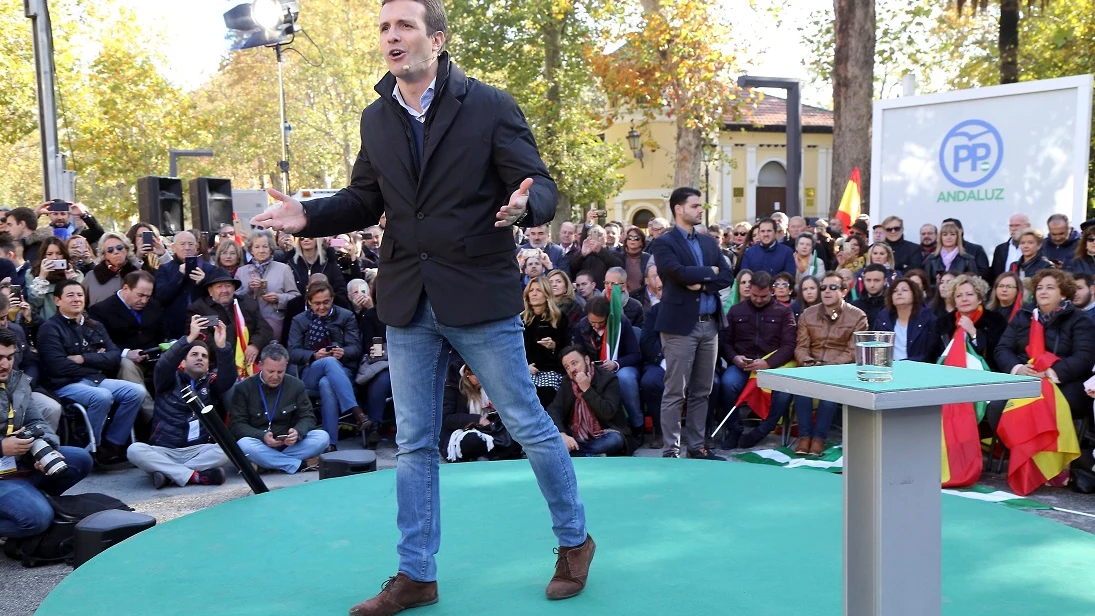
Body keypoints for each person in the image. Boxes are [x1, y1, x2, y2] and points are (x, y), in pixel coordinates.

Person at [251, 0, 593, 608]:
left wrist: (525, 207)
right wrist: (308, 217)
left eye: (404, 25)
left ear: (435, 39)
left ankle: (574, 542)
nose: (391, 36)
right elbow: (361, 199)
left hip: (478, 298)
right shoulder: (375, 118)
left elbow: (539, 184)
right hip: (408, 302)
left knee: (529, 425)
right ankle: (417, 573)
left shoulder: (489, 105)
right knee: (412, 443)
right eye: (384, 27)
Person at [648, 187, 733, 460]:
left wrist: (699, 282)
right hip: (679, 327)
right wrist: (710, 273)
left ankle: (697, 447)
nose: (700, 210)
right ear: (679, 209)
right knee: (675, 391)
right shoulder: (664, 243)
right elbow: (676, 273)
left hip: (710, 326)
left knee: (702, 391)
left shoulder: (709, 242)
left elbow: (728, 275)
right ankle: (671, 450)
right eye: (695, 206)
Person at [37, 281, 144, 465]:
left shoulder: (95, 325)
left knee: (136, 392)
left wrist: (84, 358)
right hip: (66, 384)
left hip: (96, 379)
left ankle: (112, 444)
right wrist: (97, 360)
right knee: (102, 396)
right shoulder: (49, 328)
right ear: (57, 300)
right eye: (70, 295)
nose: (76, 299)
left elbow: (114, 357)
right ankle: (88, 447)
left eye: (79, 295)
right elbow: (58, 366)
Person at [0, 327, 93, 539]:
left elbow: (38, 422)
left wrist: (43, 450)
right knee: (39, 519)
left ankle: (25, 500)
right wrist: (2, 446)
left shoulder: (17, 381)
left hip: (17, 466)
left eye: (9, 357)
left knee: (79, 459)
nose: (4, 364)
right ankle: (25, 507)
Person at [126, 315, 235, 488]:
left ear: (208, 365)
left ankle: (171, 475)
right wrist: (189, 338)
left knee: (228, 449)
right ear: (182, 362)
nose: (200, 358)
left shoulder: (211, 382)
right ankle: (196, 476)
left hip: (198, 450)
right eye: (194, 354)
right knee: (134, 450)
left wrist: (222, 347)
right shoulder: (167, 380)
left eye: (204, 356)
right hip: (164, 450)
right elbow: (164, 364)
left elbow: (228, 379)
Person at [992, 269, 1095, 424]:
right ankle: (1016, 448)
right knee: (996, 407)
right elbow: (1002, 349)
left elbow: (1084, 357)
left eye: (1050, 287)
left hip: (1064, 382)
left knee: (1038, 406)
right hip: (1025, 379)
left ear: (1063, 294)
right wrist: (1019, 368)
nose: (1043, 292)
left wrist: (1050, 373)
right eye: (1039, 288)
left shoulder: (1080, 319)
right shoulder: (1024, 315)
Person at [790, 272, 868, 455]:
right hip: (811, 367)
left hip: (838, 370)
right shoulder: (808, 314)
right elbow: (800, 347)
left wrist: (827, 368)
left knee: (829, 392)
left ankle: (818, 438)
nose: (826, 291)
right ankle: (804, 437)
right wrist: (808, 363)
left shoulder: (857, 316)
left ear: (844, 291)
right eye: (823, 287)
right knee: (801, 388)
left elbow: (853, 352)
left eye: (832, 287)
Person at [719, 271, 796, 449]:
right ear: (749, 290)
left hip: (772, 366)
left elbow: (789, 345)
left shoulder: (784, 312)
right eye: (755, 295)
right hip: (742, 365)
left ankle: (762, 431)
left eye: (763, 296)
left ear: (772, 291)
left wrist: (768, 363)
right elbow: (725, 342)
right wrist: (734, 357)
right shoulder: (736, 310)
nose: (759, 300)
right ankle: (734, 429)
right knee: (727, 383)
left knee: (784, 391)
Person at [287, 279, 366, 448]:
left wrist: (343, 352)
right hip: (310, 371)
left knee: (327, 383)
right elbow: (292, 351)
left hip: (342, 370)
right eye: (317, 303)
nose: (322, 307)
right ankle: (356, 412)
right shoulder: (299, 320)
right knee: (327, 362)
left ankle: (330, 443)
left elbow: (356, 348)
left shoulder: (346, 316)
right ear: (309, 302)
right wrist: (314, 355)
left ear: (332, 299)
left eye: (326, 302)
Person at [228, 342, 330, 472]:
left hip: (289, 445)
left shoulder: (296, 385)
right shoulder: (244, 388)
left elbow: (308, 417)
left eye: (280, 372)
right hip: (260, 444)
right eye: (270, 371)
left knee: (322, 437)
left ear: (286, 366)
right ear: (260, 365)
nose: (275, 377)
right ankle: (300, 465)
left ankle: (265, 464)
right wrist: (262, 436)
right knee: (244, 445)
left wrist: (298, 432)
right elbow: (236, 425)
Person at [570, 294, 643, 444]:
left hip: (621, 367)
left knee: (626, 379)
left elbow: (635, 354)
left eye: (600, 322)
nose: (596, 326)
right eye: (593, 322)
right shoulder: (582, 326)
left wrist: (616, 363)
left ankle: (637, 426)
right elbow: (577, 353)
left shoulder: (621, 323)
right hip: (593, 370)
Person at [546, 345, 632, 457]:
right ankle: (590, 454)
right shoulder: (567, 382)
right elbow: (554, 409)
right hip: (576, 435)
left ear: (587, 360)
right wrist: (562, 434)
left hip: (604, 432)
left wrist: (587, 389)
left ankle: (578, 453)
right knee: (551, 440)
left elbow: (608, 412)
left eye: (574, 363)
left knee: (615, 440)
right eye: (567, 367)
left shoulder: (608, 379)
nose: (572, 369)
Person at [186, 268, 273, 376]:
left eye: (228, 286)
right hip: (218, 365)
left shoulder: (246, 303)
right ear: (210, 291)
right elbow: (202, 338)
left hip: (251, 362)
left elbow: (265, 329)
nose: (224, 290)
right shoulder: (199, 309)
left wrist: (254, 345)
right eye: (219, 286)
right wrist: (228, 355)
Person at [439, 361, 521, 462]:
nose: (482, 382)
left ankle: (486, 453)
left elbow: (506, 414)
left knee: (515, 432)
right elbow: (445, 418)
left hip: (488, 430)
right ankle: (488, 453)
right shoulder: (451, 388)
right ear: (467, 374)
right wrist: (478, 419)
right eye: (478, 378)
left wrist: (496, 408)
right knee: (473, 441)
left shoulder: (488, 387)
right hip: (459, 432)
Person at [235, 229, 300, 342]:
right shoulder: (241, 272)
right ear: (251, 250)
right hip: (249, 325)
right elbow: (234, 300)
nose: (261, 250)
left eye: (265, 246)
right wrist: (249, 290)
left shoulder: (284, 269)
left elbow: (295, 297)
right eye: (257, 247)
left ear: (271, 248)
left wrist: (278, 298)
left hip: (275, 323)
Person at [931, 275, 1007, 370]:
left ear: (979, 299)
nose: (964, 299)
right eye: (959, 296)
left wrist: (974, 333)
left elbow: (996, 353)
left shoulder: (995, 320)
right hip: (947, 373)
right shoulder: (943, 322)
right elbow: (932, 353)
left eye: (970, 294)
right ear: (954, 302)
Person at [154, 231, 215, 339]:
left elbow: (217, 298)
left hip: (205, 326)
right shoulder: (165, 269)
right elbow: (160, 297)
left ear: (197, 247)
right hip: (174, 329)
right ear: (173, 248)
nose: (187, 248)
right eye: (182, 244)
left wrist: (204, 282)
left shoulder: (209, 269)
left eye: (191, 244)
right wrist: (179, 275)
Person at [522, 278, 570, 409]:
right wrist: (525, 367)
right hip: (525, 370)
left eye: (539, 290)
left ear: (547, 294)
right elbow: (512, 351)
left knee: (546, 394)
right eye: (531, 290)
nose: (534, 293)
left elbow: (568, 349)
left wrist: (554, 346)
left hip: (552, 371)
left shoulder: (560, 318)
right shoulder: (520, 320)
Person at [874, 278, 937, 362]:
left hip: (918, 368)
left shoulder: (927, 318)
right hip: (890, 369)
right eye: (895, 291)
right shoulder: (883, 318)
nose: (899, 293)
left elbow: (931, 353)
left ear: (914, 294)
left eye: (905, 290)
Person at [25, 236, 83, 323]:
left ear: (64, 254)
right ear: (43, 256)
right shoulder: (32, 274)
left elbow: (78, 303)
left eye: (59, 253)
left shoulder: (76, 274)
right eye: (49, 254)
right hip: (45, 323)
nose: (55, 258)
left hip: (72, 323)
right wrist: (41, 277)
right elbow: (35, 302)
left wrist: (70, 283)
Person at [84, 232, 148, 306]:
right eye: (110, 250)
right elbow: (80, 304)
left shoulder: (138, 275)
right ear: (104, 255)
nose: (116, 252)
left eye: (119, 248)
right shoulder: (92, 276)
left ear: (126, 250)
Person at [289, 237, 349, 305]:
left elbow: (340, 288)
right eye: (302, 238)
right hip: (299, 309)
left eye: (310, 237)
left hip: (325, 307)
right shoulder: (291, 263)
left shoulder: (329, 262)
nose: (306, 240)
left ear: (318, 239)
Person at [990, 213, 1031, 283]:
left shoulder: (1036, 248)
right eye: (1011, 226)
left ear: (1028, 226)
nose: (1013, 229)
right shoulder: (1000, 249)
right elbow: (994, 275)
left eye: (1017, 225)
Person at [618, 225, 650, 295]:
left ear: (642, 242)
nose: (632, 240)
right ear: (626, 241)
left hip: (642, 296)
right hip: (623, 296)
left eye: (636, 238)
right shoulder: (619, 256)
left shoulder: (647, 258)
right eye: (629, 237)